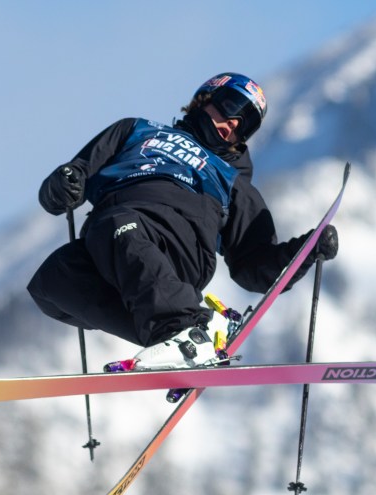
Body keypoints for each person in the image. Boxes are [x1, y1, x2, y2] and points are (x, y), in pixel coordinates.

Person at [28, 72, 338, 371]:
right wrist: (64, 184)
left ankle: (182, 325)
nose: (233, 124)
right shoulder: (135, 131)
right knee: (52, 282)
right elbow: (68, 181)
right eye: (233, 108)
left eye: (245, 126)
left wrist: (307, 250)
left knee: (118, 225)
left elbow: (255, 267)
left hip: (177, 244)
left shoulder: (233, 182)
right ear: (205, 98)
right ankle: (182, 336)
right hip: (110, 244)